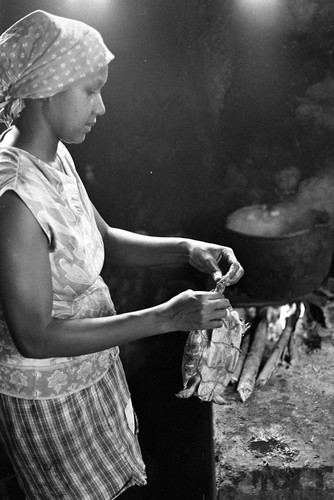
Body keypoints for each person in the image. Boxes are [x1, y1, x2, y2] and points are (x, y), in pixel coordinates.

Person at [0, 10, 244, 500]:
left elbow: (105, 240)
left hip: (93, 375)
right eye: (91, 89)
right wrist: (167, 317)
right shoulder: (14, 201)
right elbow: (35, 336)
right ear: (48, 87)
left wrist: (185, 248)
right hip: (51, 403)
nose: (103, 106)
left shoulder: (54, 156)